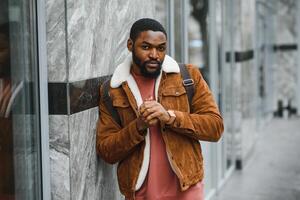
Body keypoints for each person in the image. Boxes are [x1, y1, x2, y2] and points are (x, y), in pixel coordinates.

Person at [96, 18, 224, 200]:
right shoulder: (112, 90)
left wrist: (170, 117)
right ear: (130, 45)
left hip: (187, 189)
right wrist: (138, 126)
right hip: (140, 193)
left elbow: (215, 127)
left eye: (161, 48)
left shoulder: (188, 77)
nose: (155, 54)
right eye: (146, 47)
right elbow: (106, 151)